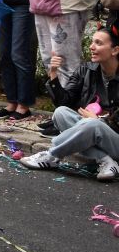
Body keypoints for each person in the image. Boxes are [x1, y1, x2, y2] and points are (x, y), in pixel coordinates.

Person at [19, 21, 119, 181]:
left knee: (92, 124)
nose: (92, 47)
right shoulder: (86, 70)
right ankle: (106, 160)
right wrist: (53, 74)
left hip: (115, 138)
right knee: (61, 113)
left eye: (98, 43)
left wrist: (101, 121)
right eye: (92, 42)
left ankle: (52, 155)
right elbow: (64, 102)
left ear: (115, 50)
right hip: (90, 127)